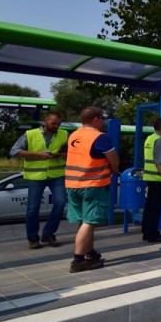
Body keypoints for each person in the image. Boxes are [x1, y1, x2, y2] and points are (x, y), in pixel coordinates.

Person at [65, 107, 119, 273]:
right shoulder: (99, 137)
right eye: (102, 118)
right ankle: (78, 260)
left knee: (83, 220)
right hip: (92, 185)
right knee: (89, 221)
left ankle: (90, 253)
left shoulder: (74, 135)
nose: (103, 121)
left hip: (72, 185)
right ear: (96, 119)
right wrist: (113, 170)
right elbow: (114, 160)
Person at [9, 111, 67, 250]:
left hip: (57, 174)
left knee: (60, 203)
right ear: (45, 121)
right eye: (53, 123)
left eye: (58, 124)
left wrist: (62, 154)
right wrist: (37, 155)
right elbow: (14, 151)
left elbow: (69, 151)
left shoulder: (64, 134)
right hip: (36, 176)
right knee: (33, 208)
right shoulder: (30, 134)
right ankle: (33, 238)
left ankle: (48, 233)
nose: (56, 126)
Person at [141, 117, 161, 243]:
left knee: (150, 207)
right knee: (155, 207)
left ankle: (147, 231)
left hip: (151, 178)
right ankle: (153, 234)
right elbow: (160, 163)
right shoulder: (159, 141)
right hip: (158, 179)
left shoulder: (150, 139)